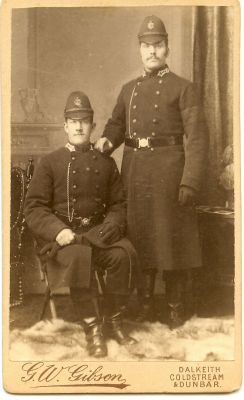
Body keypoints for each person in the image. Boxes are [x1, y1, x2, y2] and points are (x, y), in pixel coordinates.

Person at [95, 15, 208, 328]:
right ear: (139, 50)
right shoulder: (129, 89)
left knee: (170, 240)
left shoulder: (184, 88)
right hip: (135, 170)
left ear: (167, 48)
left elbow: (198, 137)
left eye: (158, 45)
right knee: (141, 238)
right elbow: (117, 123)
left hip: (170, 171)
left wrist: (191, 182)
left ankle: (174, 306)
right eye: (146, 46)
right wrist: (107, 139)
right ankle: (143, 304)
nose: (152, 51)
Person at [24, 91, 137, 358]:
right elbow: (34, 208)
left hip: (97, 234)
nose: (78, 126)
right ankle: (93, 329)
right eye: (72, 121)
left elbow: (119, 205)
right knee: (78, 257)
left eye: (84, 121)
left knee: (125, 254)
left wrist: (110, 227)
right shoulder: (49, 163)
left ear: (93, 126)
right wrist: (59, 231)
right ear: (65, 125)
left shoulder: (106, 163)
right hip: (63, 239)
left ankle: (113, 320)